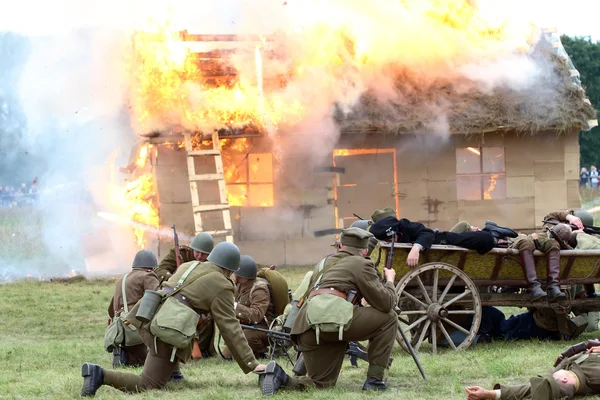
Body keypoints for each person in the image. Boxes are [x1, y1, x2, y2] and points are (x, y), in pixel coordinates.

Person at [80, 241, 267, 397]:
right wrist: (252, 363)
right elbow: (230, 327)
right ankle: (99, 375)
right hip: (168, 327)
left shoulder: (188, 265)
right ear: (230, 269)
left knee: (165, 360)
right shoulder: (222, 285)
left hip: (150, 317)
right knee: (148, 384)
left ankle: (173, 372)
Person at [260, 227, 398, 395]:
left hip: (307, 326)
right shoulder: (361, 263)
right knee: (389, 318)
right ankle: (375, 380)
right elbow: (386, 303)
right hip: (335, 320)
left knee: (322, 384)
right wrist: (390, 281)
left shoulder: (323, 263)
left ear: (341, 246)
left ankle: (280, 377)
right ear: (365, 251)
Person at [368, 210, 510, 267]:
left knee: (484, 239)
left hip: (444, 241)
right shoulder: (376, 239)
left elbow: (426, 233)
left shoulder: (406, 226)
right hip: (439, 259)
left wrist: (416, 248)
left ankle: (493, 233)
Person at [465, 344, 600, 399]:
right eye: (553, 375)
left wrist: (488, 394)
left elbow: (526, 389)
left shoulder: (566, 375)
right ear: (565, 380)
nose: (553, 372)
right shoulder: (595, 377)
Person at [107, 250, 159, 367]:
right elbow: (155, 299)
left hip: (120, 326)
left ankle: (122, 354)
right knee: (152, 359)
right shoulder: (148, 276)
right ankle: (126, 357)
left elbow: (111, 308)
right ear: (151, 267)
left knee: (136, 356)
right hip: (137, 326)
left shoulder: (122, 279)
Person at [222, 255, 275, 359]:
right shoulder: (240, 285)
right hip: (247, 325)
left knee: (247, 337)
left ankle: (260, 351)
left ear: (242, 275)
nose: (233, 275)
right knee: (227, 356)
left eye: (235, 272)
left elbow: (256, 315)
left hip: (263, 327)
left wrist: (233, 305)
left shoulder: (259, 289)